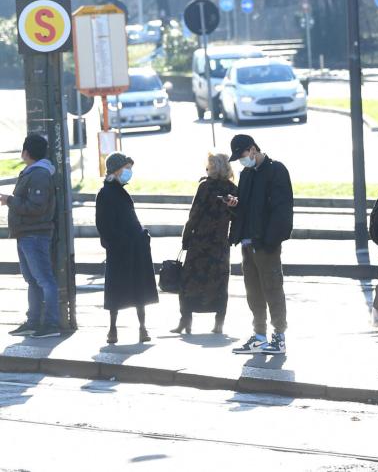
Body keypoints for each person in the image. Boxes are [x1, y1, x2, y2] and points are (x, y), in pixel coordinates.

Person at [225, 134, 294, 356]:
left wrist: (269, 240)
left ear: (253, 149)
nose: (241, 161)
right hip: (247, 242)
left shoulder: (276, 170)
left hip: (265, 244)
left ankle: (279, 337)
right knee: (253, 292)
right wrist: (233, 204)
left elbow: (282, 210)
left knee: (273, 288)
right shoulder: (246, 175)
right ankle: (260, 336)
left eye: (243, 155)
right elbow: (244, 208)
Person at [172, 152, 238, 336]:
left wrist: (185, 239)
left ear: (213, 167)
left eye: (208, 165)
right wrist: (231, 238)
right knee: (219, 283)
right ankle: (219, 324)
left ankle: (185, 321)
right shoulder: (232, 189)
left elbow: (194, 215)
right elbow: (237, 216)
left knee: (189, 281)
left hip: (199, 244)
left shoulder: (205, 187)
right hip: (220, 245)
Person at [95, 153, 158, 344]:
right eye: (126, 168)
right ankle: (113, 329)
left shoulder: (119, 191)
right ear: (116, 170)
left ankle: (142, 328)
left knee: (136, 289)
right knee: (118, 291)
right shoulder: (106, 193)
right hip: (121, 248)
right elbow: (104, 225)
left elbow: (131, 219)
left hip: (133, 246)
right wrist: (120, 241)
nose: (129, 172)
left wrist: (141, 235)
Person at [2, 134, 61, 338]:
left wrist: (10, 200)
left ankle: (51, 324)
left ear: (26, 152)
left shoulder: (39, 174)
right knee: (33, 280)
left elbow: (36, 207)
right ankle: (33, 321)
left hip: (35, 234)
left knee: (44, 279)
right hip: (26, 233)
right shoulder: (32, 172)